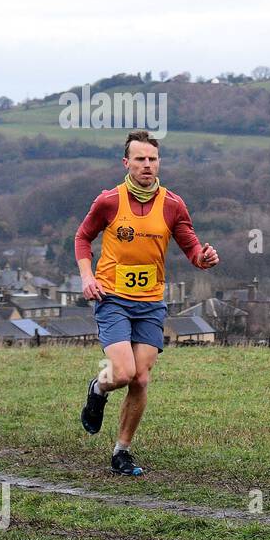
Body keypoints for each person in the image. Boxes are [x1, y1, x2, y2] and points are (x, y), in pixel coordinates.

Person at [76, 130, 220, 475]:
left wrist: (205, 258)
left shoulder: (173, 204)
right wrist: (87, 277)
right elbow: (83, 237)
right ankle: (98, 388)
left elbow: (191, 248)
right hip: (113, 298)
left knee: (140, 379)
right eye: (139, 159)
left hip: (150, 302)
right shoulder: (109, 201)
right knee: (123, 373)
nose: (146, 165)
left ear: (159, 163)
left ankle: (121, 451)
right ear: (126, 163)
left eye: (152, 159)